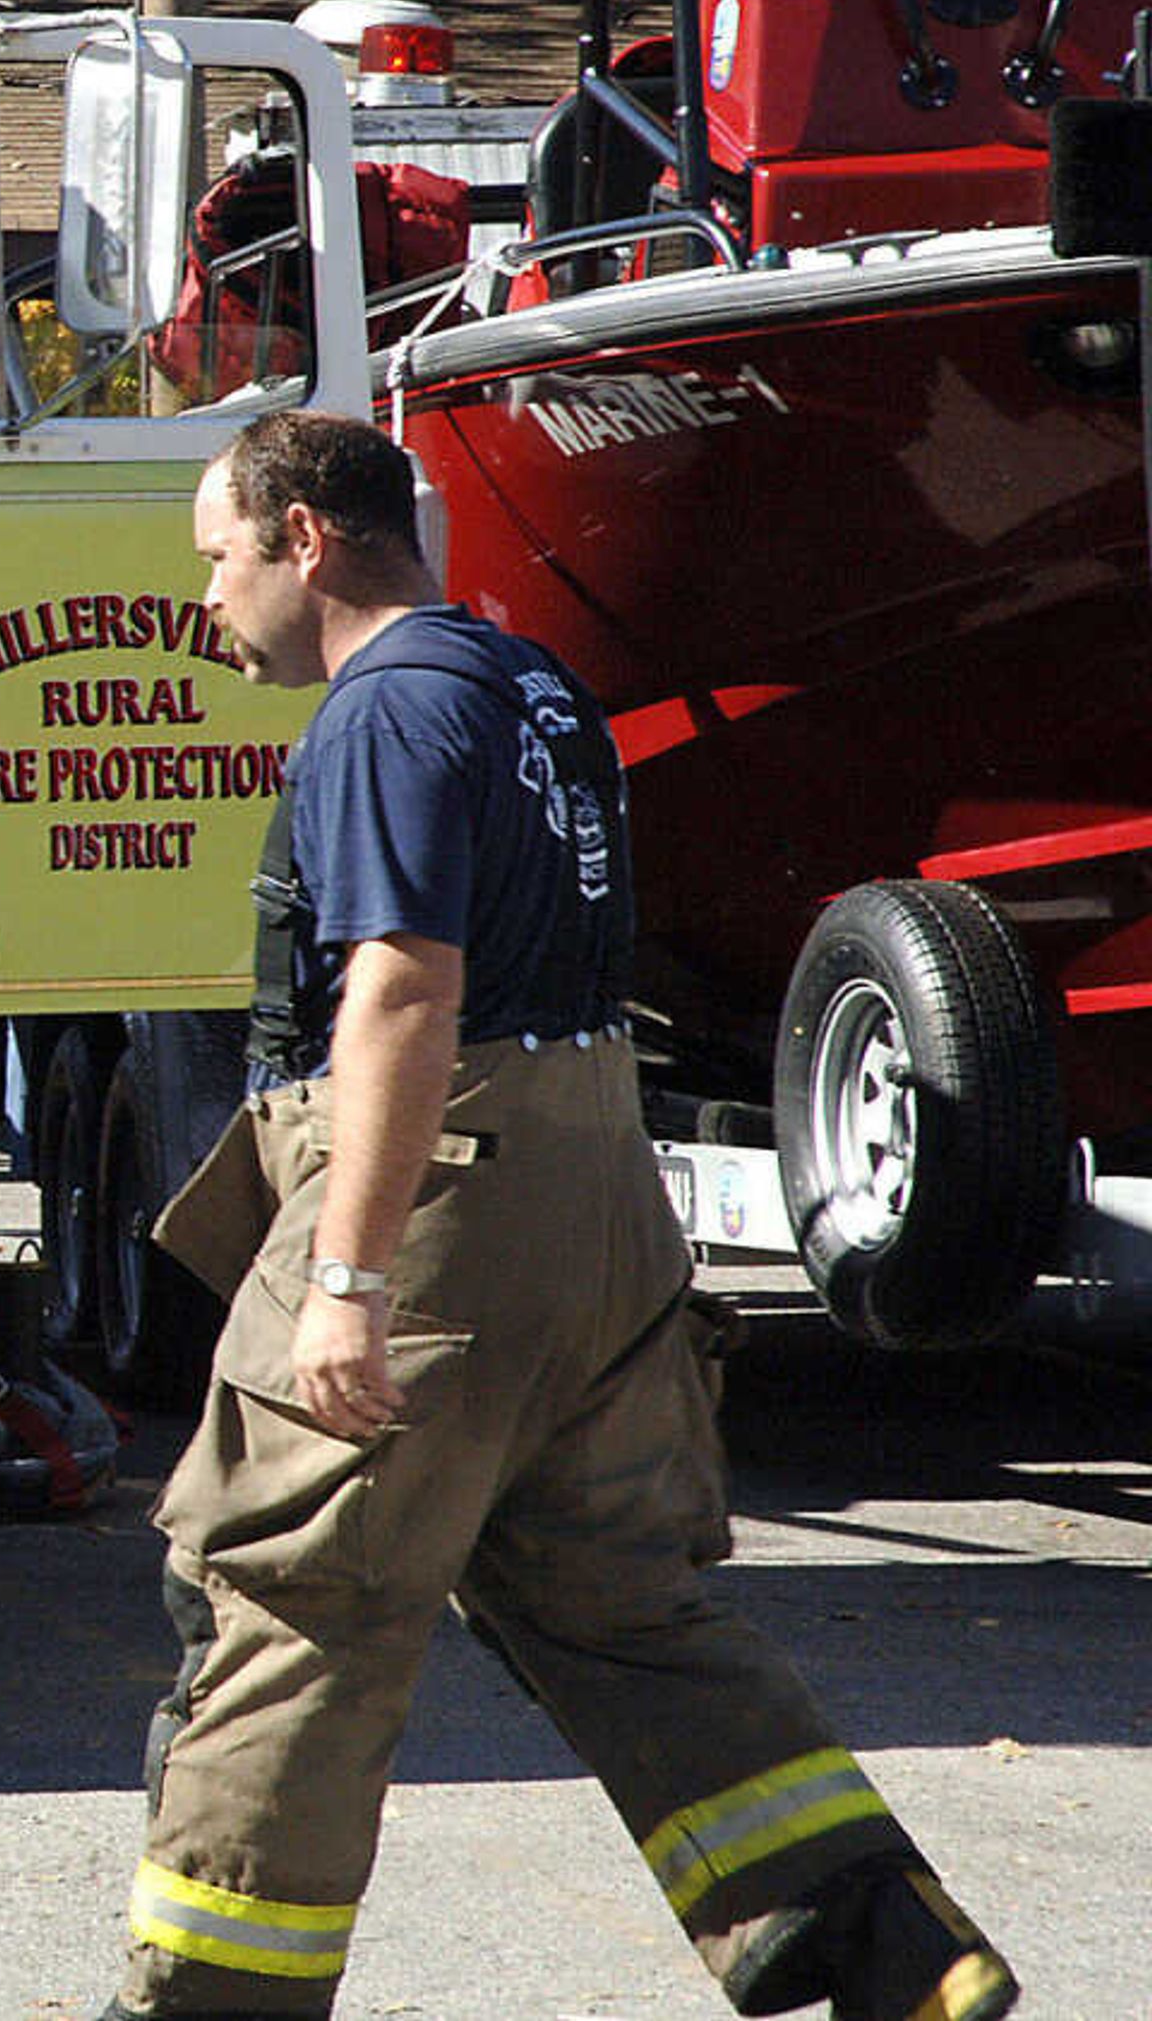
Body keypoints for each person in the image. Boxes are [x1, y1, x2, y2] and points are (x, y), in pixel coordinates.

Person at [97, 412, 1013, 2021]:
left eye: (220, 556)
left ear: (307, 539)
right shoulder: (531, 688)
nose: (211, 598)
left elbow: (399, 991)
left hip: (444, 1198)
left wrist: (347, 1278)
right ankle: (879, 1936)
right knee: (616, 1597)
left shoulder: (384, 712)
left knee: (292, 1593)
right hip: (597, 1189)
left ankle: (210, 2002)